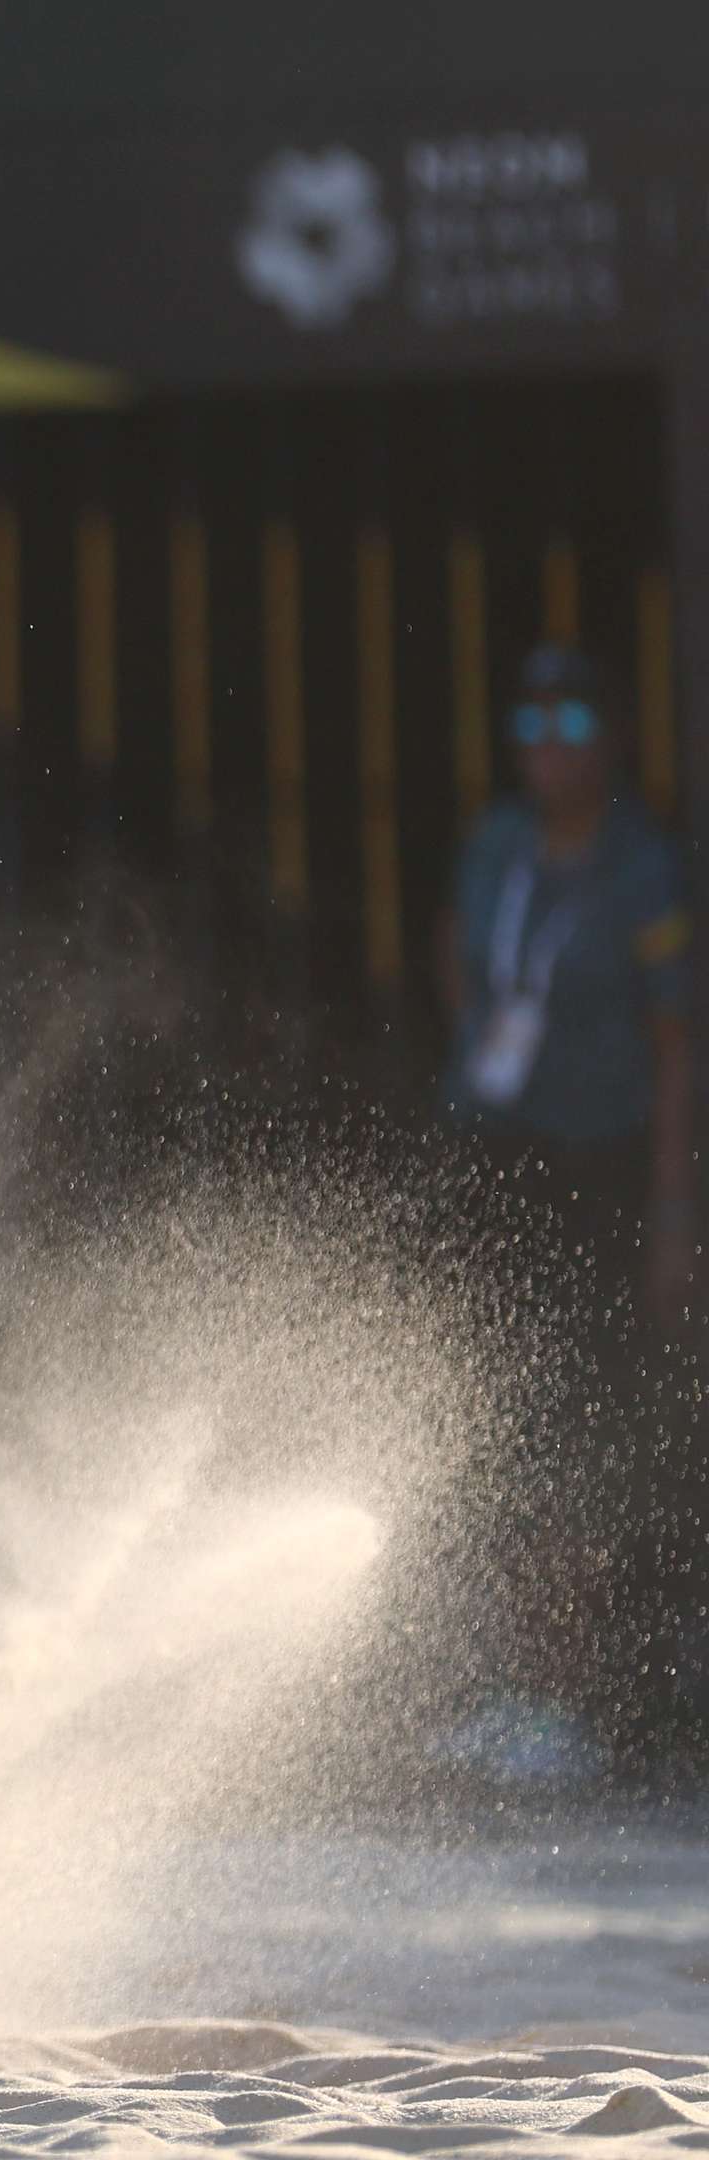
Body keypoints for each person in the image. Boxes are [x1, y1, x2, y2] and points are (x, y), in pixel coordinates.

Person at [437, 641, 697, 1776]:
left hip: (601, 1166)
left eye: (575, 724)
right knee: (497, 1418)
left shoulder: (641, 867)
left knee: (579, 1435)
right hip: (504, 1153)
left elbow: (677, 1040)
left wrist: (675, 1206)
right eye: (533, 725)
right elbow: (456, 948)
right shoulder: (498, 844)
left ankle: (568, 1703)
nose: (550, 747)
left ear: (617, 739)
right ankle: (505, 1688)